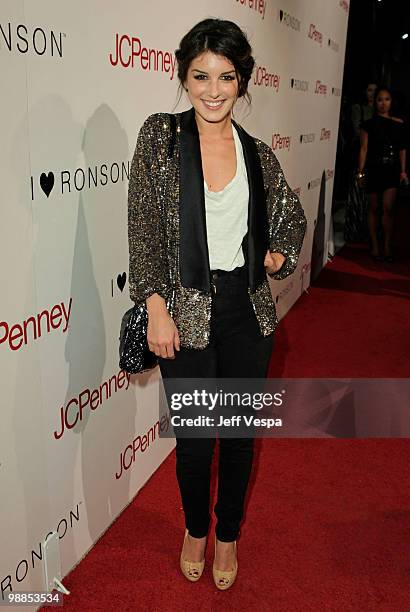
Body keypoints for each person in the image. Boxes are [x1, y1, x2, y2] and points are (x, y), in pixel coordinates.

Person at [127, 18, 307, 590]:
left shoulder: (256, 153)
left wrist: (276, 256)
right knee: (195, 438)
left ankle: (226, 534)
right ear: (184, 75)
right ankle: (194, 531)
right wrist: (156, 307)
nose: (212, 89)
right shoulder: (162, 137)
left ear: (242, 82)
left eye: (226, 77)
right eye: (200, 75)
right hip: (186, 310)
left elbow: (292, 219)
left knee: (238, 435)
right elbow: (144, 229)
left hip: (247, 313)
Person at [357, 86, 408, 262]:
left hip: (391, 170)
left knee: (388, 208)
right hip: (373, 168)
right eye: (380, 99)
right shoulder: (368, 125)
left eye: (387, 99)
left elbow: (402, 149)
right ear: (375, 102)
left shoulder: (399, 124)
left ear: (391, 101)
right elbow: (363, 149)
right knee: (373, 208)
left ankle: (386, 246)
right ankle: (375, 246)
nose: (383, 103)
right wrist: (360, 171)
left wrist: (403, 171)